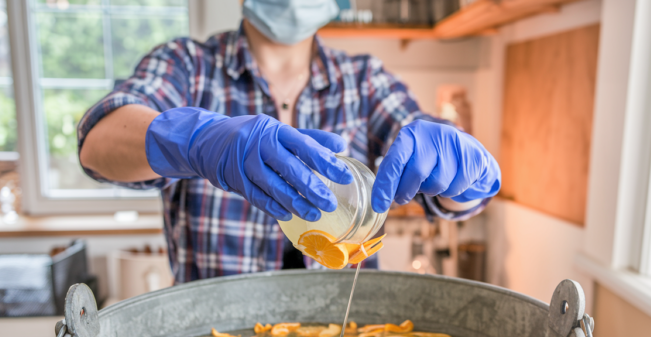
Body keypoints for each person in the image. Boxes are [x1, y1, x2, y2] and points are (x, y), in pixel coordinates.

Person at [78, 0, 501, 283]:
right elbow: (98, 142)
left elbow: (433, 171)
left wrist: (464, 171)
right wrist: (197, 140)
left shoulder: (366, 81)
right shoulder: (188, 66)